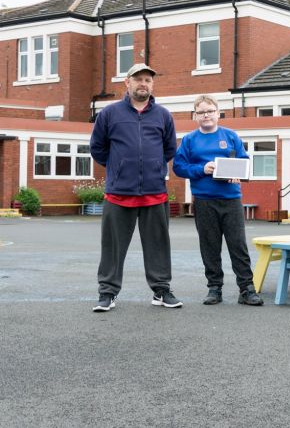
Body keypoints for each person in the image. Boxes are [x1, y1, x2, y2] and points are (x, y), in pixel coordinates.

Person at [90, 63, 180, 312]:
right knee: (112, 247)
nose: (143, 84)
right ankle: (107, 293)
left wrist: (153, 167)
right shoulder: (109, 114)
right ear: (127, 83)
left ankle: (161, 290)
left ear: (152, 85)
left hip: (154, 193)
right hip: (119, 194)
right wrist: (118, 167)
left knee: (159, 245)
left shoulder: (163, 115)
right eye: (138, 79)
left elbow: (169, 149)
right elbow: (97, 147)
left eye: (148, 80)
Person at [173, 95, 263, 306]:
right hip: (204, 201)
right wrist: (201, 169)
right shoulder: (189, 140)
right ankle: (214, 288)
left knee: (238, 245)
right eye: (202, 112)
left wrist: (237, 173)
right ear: (195, 115)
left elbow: (244, 161)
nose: (206, 115)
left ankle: (247, 289)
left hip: (231, 200)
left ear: (218, 113)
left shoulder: (230, 136)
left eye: (210, 111)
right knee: (210, 246)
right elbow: (178, 167)